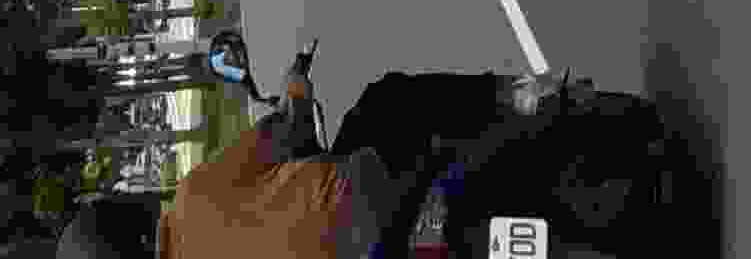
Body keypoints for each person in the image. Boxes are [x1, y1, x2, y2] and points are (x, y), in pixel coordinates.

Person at [70, 46, 564, 259]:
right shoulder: (190, 199)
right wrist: (296, 85)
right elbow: (291, 129)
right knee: (389, 97)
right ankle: (519, 97)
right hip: (372, 203)